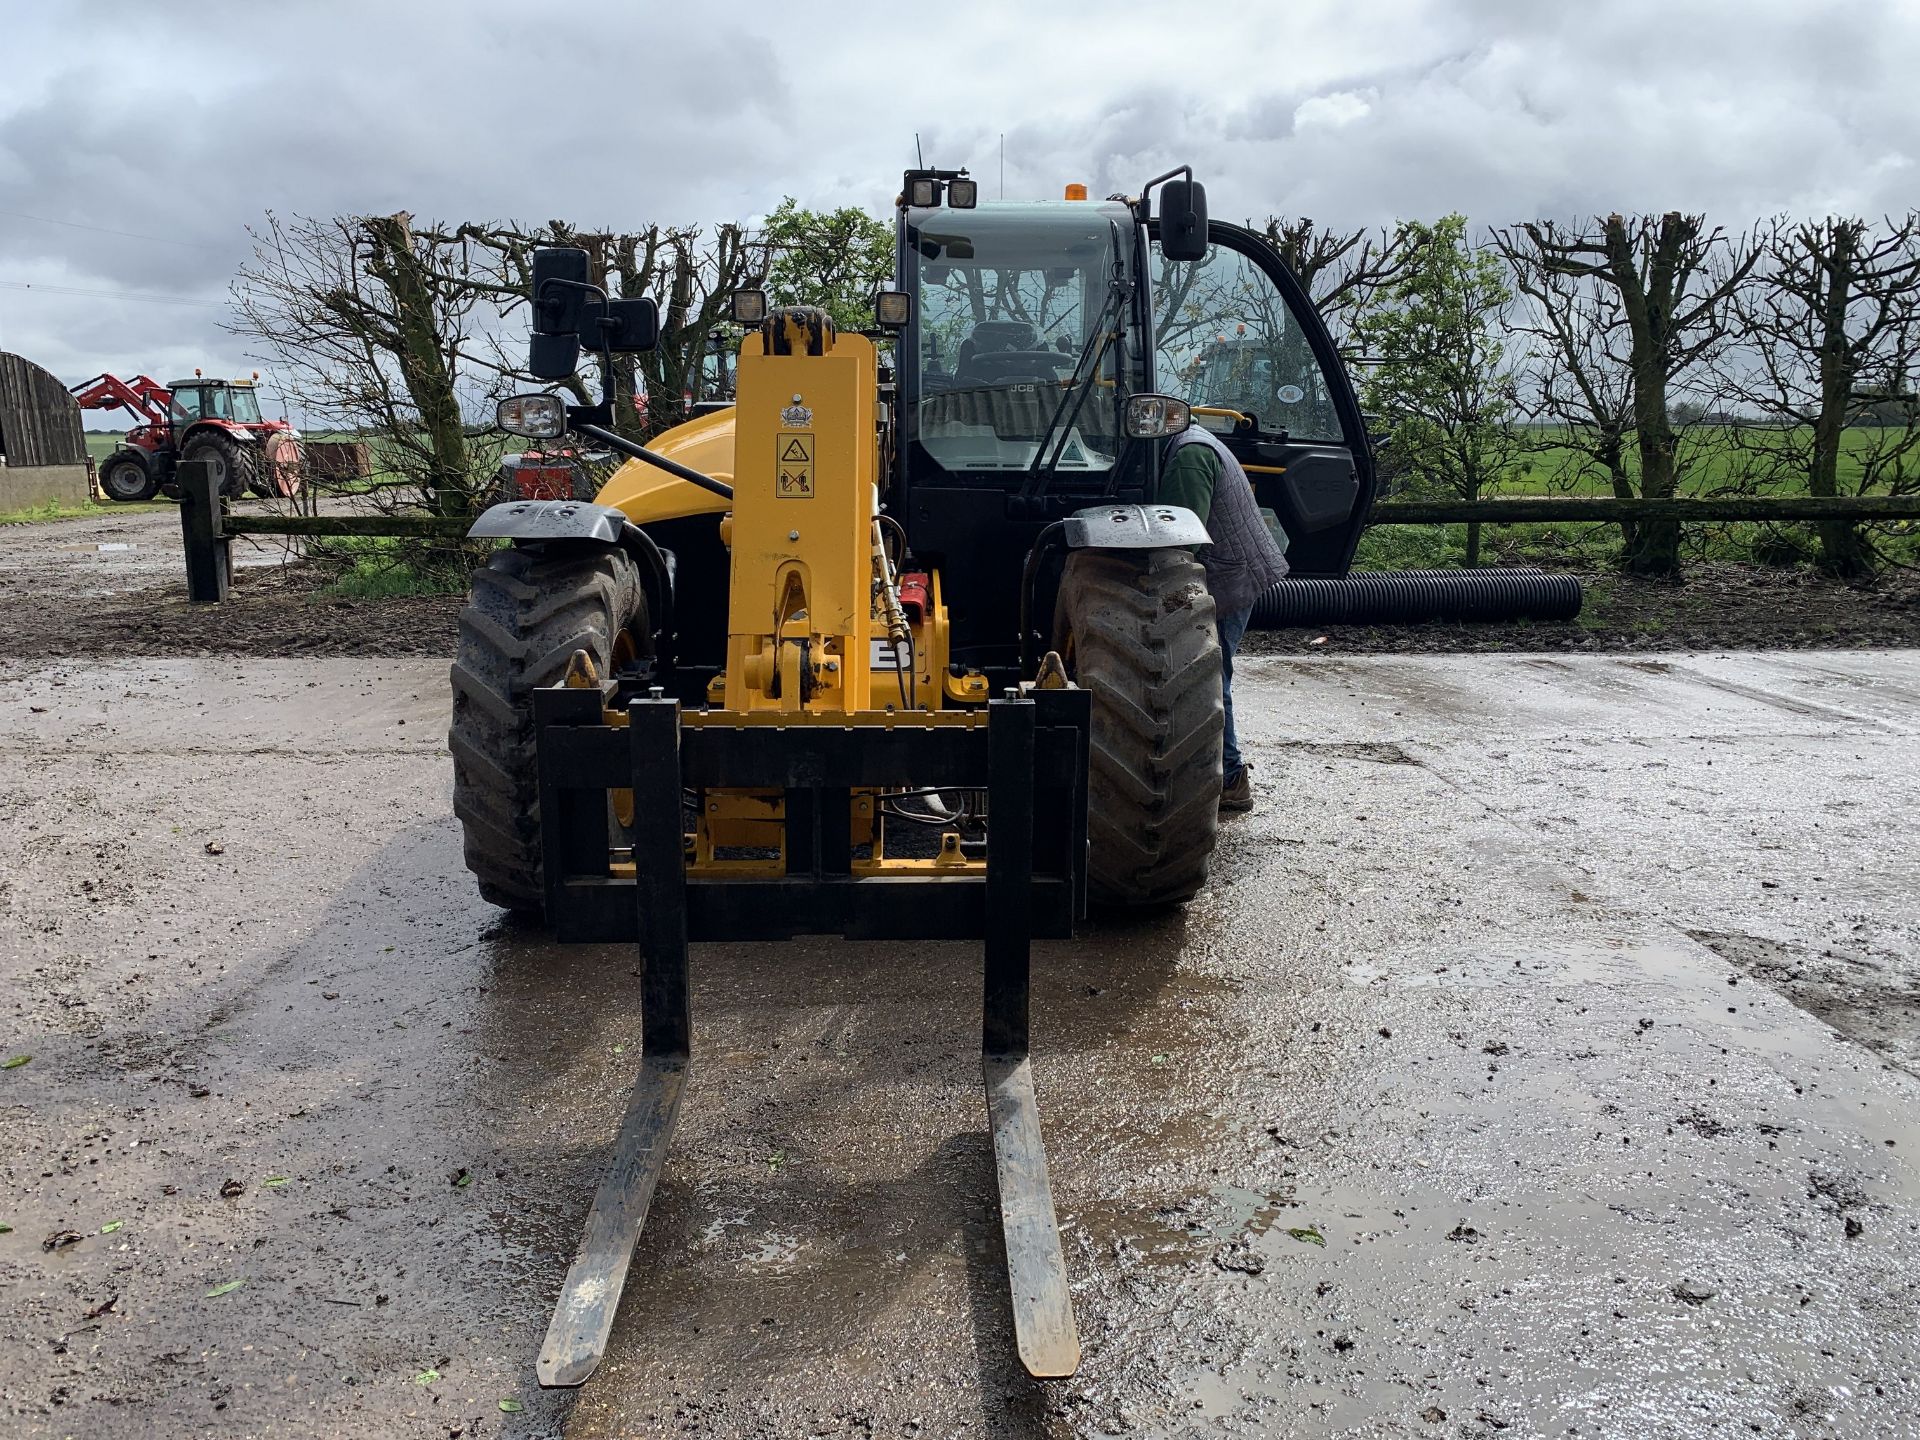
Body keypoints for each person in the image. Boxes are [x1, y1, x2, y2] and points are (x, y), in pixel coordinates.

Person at [1156, 422, 1289, 813]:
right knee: (1213, 672)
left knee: (1212, 675)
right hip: (1237, 565)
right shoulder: (1192, 440)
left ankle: (1231, 778)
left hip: (1229, 574)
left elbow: (1182, 536)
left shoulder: (1188, 457)